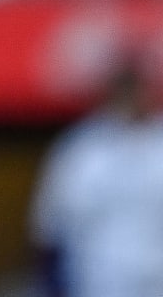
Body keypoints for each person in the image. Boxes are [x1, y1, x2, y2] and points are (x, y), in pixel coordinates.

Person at [30, 54, 163, 297]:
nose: (130, 96)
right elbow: (49, 229)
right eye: (123, 88)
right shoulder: (82, 149)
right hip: (97, 281)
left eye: (135, 87)